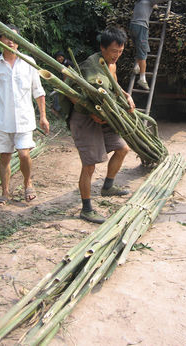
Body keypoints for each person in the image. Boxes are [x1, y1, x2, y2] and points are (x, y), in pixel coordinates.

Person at [0, 24, 49, 204]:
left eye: (13, 38)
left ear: (19, 42)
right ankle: (5, 193)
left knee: (24, 154)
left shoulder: (29, 63)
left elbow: (38, 91)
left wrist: (43, 116)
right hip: (3, 121)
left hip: (24, 119)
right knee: (4, 157)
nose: (10, 41)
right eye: (6, 37)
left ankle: (28, 182)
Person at [68, 27, 135, 224]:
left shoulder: (111, 64)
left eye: (121, 52)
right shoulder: (90, 67)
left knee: (123, 148)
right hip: (85, 118)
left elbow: (114, 84)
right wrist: (90, 112)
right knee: (89, 165)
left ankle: (108, 187)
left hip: (104, 116)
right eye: (114, 51)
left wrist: (125, 94)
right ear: (102, 48)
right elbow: (71, 94)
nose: (117, 55)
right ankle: (86, 209)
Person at [129, 0, 180, 90]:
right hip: (141, 27)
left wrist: (154, 5)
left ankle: (137, 67)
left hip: (133, 26)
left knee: (140, 47)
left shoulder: (140, 2)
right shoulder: (150, 0)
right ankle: (142, 79)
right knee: (143, 53)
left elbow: (150, 6)